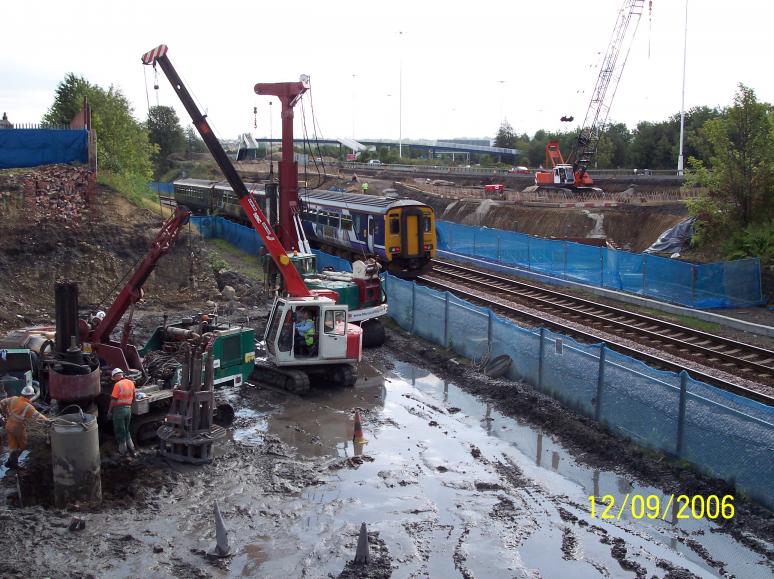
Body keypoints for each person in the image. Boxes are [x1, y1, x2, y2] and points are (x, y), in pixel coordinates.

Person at [0, 384, 50, 468]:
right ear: (29, 396)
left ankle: (10, 462)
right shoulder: (28, 407)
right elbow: (38, 416)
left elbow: (2, 402)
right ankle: (13, 463)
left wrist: (6, 412)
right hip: (18, 428)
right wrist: (48, 420)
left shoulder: (13, 398)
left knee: (12, 445)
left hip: (8, 426)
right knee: (22, 445)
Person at [108, 368, 136, 456]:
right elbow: (134, 396)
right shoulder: (131, 382)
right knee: (127, 430)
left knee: (120, 430)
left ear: (116, 376)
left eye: (114, 377)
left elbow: (113, 400)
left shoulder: (117, 385)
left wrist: (109, 411)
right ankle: (132, 449)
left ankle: (123, 452)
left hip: (119, 410)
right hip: (128, 409)